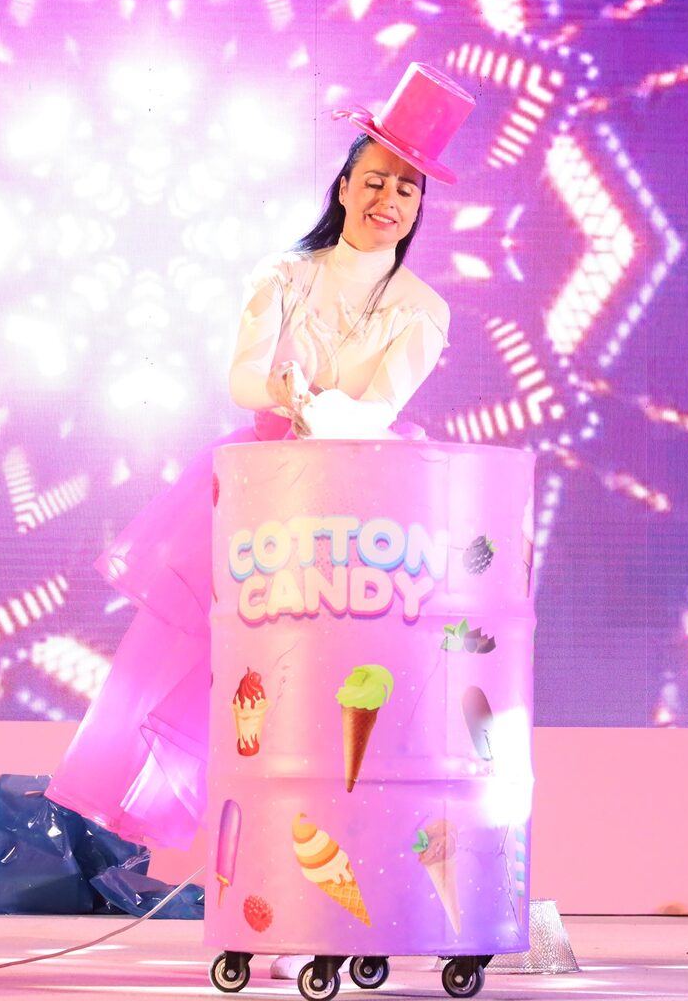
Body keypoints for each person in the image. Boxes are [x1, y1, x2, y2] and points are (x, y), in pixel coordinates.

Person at [46, 63, 476, 859]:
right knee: (238, 668)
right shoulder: (282, 275)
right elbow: (242, 379)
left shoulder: (424, 309)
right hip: (267, 488)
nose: (388, 200)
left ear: (420, 206)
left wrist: (317, 408)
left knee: (336, 677)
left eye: (407, 189)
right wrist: (280, 393)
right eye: (375, 181)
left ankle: (332, 852)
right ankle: (231, 858)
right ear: (344, 187)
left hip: (364, 504)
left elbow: (379, 409)